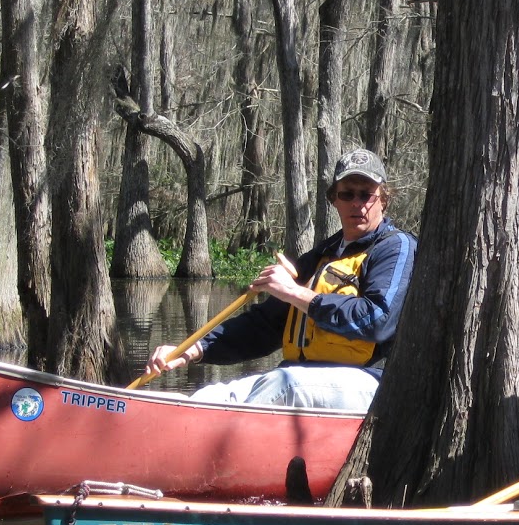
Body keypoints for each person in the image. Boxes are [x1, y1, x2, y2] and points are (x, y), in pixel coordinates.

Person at [145, 148, 418, 409]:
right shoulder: (322, 256)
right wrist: (194, 349)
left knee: (282, 384)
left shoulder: (395, 247)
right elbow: (263, 326)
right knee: (212, 396)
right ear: (334, 199)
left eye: (366, 194)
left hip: (368, 381)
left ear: (383, 199)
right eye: (347, 194)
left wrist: (294, 292)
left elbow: (377, 319)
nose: (357, 203)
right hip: (302, 377)